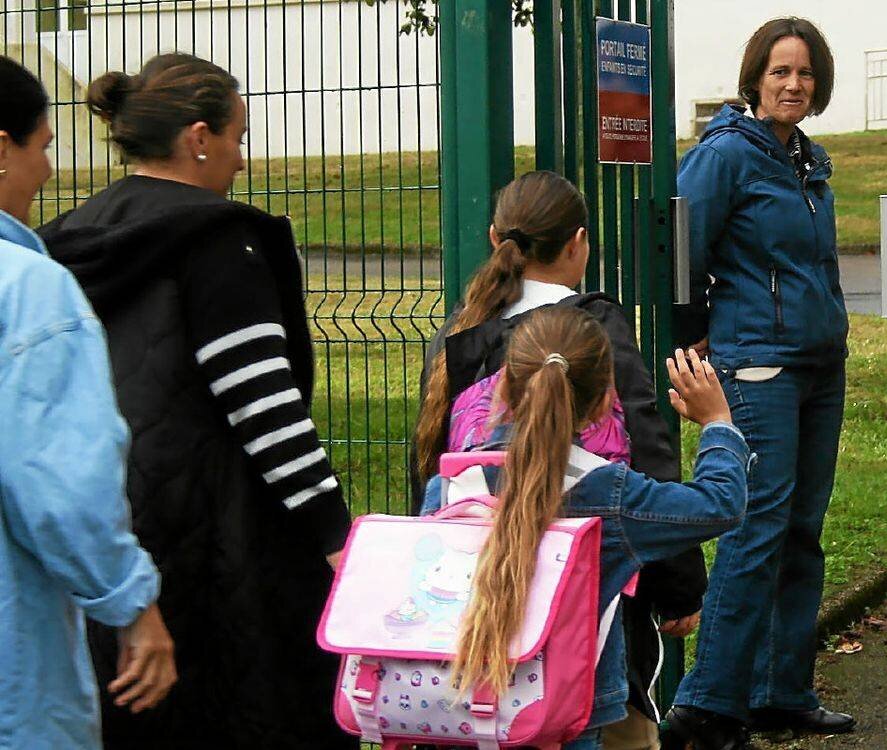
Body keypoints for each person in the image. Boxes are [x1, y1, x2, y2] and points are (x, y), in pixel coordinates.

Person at [38, 53, 354, 749]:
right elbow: (263, 404)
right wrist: (335, 536)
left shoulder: (66, 244)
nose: (241, 158)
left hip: (103, 540)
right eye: (238, 137)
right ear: (199, 138)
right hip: (216, 541)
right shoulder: (218, 242)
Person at [414, 170, 706, 744]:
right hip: (589, 609)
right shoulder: (592, 327)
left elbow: (432, 462)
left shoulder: (462, 329)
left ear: (496, 237)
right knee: (613, 728)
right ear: (578, 243)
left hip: (474, 604)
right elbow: (646, 451)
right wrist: (677, 584)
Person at [421, 306, 750, 750]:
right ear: (602, 403)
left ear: (503, 386)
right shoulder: (608, 494)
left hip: (457, 704)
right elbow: (720, 503)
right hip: (567, 714)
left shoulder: (451, 486)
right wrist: (717, 423)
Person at [661, 17, 855, 748]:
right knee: (757, 528)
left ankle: (781, 693)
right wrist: (693, 332)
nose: (793, 85)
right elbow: (680, 247)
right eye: (780, 72)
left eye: (805, 73)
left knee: (802, 531)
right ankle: (707, 707)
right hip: (757, 366)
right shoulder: (724, 155)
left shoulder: (807, 160)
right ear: (755, 78)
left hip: (819, 365)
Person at [0, 56, 176, 749]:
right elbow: (56, 483)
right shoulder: (28, 291)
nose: (47, 172)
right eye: (42, 147)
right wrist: (130, 603)